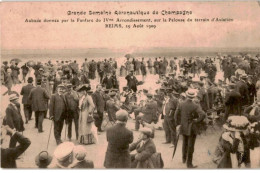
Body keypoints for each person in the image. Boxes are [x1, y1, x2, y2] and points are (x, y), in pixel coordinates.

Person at [174, 89, 206, 168]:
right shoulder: (195, 105)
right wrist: (197, 120)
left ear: (187, 95)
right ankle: (189, 164)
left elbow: (175, 115)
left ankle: (184, 159)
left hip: (183, 126)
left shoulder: (181, 103)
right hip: (191, 127)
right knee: (190, 145)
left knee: (184, 143)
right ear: (193, 96)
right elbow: (203, 114)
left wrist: (178, 124)